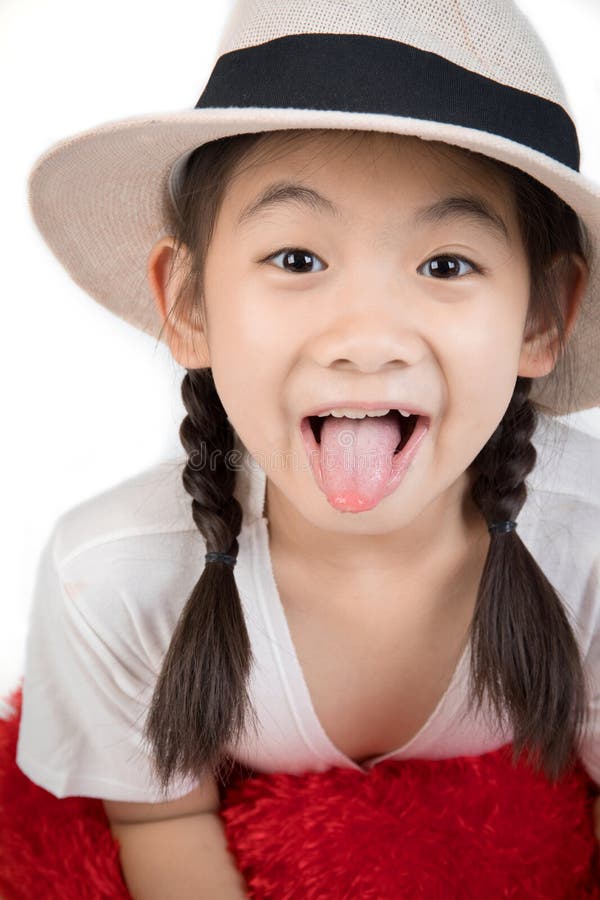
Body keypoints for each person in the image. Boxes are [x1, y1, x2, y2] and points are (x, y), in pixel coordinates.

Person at [14, 0, 600, 896]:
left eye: (446, 265)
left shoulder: (590, 545)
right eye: (296, 260)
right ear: (188, 303)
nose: (366, 339)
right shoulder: (115, 578)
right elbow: (163, 813)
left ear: (542, 318)